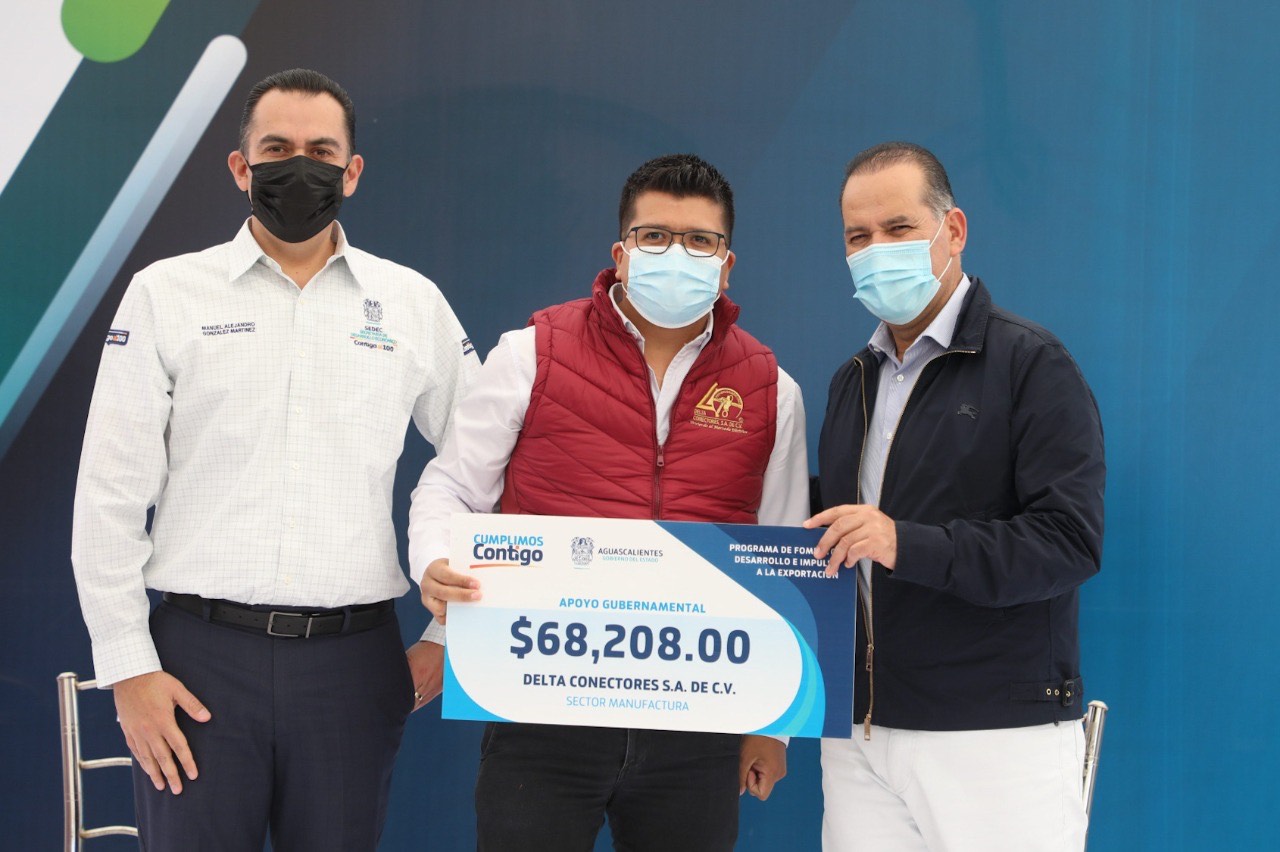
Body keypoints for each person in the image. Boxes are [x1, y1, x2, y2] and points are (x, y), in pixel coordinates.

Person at [70, 68, 478, 850]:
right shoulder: (167, 294)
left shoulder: (411, 303)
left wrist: (444, 638)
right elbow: (109, 494)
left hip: (353, 665)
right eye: (277, 148)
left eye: (321, 152)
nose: (300, 167)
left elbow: (485, 467)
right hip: (195, 662)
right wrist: (127, 668)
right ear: (240, 166)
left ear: (352, 172)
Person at [413, 153, 809, 851]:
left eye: (700, 240)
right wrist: (434, 563)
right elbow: (451, 485)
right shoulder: (531, 354)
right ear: (621, 255)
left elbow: (782, 553)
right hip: (541, 701)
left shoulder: (772, 389)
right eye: (655, 236)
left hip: (698, 718)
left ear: (726, 265)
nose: (676, 254)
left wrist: (773, 727)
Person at [806, 141, 1104, 852]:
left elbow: (1068, 542)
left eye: (899, 228)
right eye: (858, 236)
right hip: (860, 737)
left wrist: (905, 543)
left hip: (994, 739)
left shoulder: (1031, 364)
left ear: (954, 230)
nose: (877, 250)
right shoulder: (853, 380)